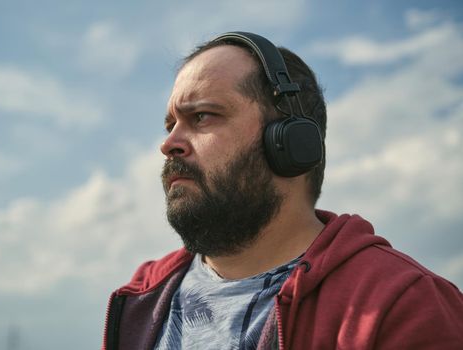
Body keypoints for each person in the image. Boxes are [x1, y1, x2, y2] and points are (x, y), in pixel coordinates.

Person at [102, 32, 463, 350]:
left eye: (202, 116)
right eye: (171, 124)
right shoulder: (140, 299)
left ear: (289, 142)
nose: (169, 144)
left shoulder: (402, 303)